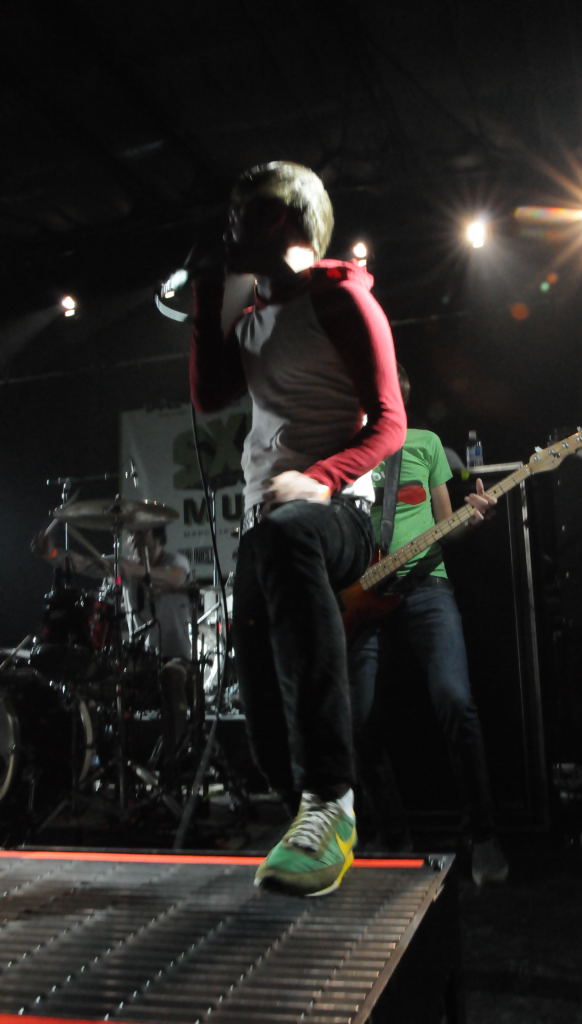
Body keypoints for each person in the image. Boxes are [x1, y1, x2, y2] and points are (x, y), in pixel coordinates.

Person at [189, 160, 406, 896]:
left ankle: (332, 802)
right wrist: (207, 296)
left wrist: (322, 479)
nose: (229, 230)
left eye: (244, 217)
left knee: (286, 537)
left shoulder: (341, 299)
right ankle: (308, 819)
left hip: (338, 514)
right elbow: (210, 394)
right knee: (262, 715)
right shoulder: (252, 316)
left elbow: (391, 423)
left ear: (283, 222)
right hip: (270, 528)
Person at [349, 365, 509, 886]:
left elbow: (446, 526)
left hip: (427, 588)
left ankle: (483, 834)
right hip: (362, 599)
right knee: (358, 721)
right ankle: (392, 834)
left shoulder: (425, 443)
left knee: (456, 701)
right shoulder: (344, 454)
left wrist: (472, 517)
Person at [31, 524, 194, 776]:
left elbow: (175, 577)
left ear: (157, 535)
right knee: (92, 683)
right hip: (139, 658)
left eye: (141, 532)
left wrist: (132, 569)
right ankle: (96, 761)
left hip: (176, 657)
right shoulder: (122, 564)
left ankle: (176, 761)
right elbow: (82, 563)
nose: (134, 538)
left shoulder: (175, 560)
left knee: (171, 676)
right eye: (132, 534)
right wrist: (50, 554)